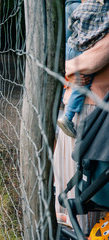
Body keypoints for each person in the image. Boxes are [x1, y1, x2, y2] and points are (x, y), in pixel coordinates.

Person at [54, 0, 109, 233]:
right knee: (63, 170)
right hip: (75, 106)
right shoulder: (85, 19)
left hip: (93, 111)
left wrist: (67, 66)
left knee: (83, 177)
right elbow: (70, 65)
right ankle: (66, 228)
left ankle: (83, 231)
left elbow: (88, 63)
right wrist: (70, 67)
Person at [57, 0, 107, 138]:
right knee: (84, 81)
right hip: (91, 104)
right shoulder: (103, 13)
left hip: (72, 48)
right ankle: (67, 117)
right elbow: (91, 64)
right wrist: (68, 72)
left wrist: (65, 70)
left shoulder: (78, 8)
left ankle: (63, 106)